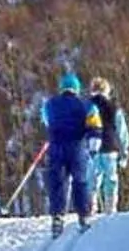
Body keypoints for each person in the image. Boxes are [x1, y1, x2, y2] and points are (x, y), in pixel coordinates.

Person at [38, 72, 99, 238]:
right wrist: (93, 146)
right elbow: (95, 126)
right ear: (77, 89)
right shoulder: (86, 105)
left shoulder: (50, 104)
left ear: (62, 88)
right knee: (80, 181)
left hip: (56, 147)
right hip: (78, 147)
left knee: (58, 182)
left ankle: (57, 217)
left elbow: (46, 121)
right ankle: (83, 216)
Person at [86, 76, 129, 217]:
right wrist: (124, 151)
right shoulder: (114, 107)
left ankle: (90, 208)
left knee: (92, 180)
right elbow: (122, 131)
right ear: (107, 90)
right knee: (111, 179)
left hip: (92, 148)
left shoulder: (86, 107)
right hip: (110, 147)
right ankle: (110, 208)